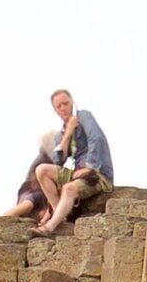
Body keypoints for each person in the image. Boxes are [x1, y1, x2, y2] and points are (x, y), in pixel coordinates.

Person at [18, 88, 114, 236]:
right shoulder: (61, 134)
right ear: (55, 110)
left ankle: (49, 228)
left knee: (69, 188)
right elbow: (58, 162)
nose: (63, 108)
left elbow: (97, 139)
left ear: (72, 103)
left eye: (66, 103)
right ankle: (59, 214)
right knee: (42, 170)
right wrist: (67, 135)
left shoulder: (84, 116)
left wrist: (89, 166)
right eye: (59, 106)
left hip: (96, 175)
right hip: (77, 174)